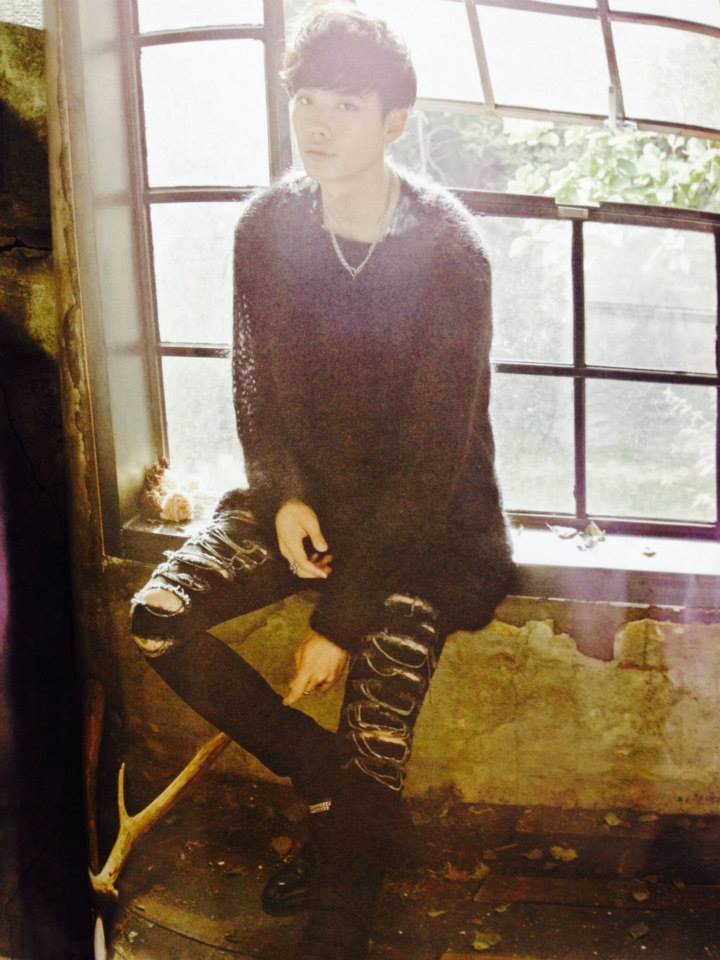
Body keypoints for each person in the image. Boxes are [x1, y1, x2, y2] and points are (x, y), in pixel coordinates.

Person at [129, 4, 517, 958]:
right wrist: (285, 492)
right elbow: (254, 384)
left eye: (345, 104)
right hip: (304, 500)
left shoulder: (450, 250)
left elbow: (432, 459)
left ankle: (343, 898)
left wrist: (340, 620)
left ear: (394, 122)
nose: (318, 123)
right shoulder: (266, 226)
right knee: (156, 617)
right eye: (305, 99)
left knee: (375, 723)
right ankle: (325, 779)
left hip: (432, 528)